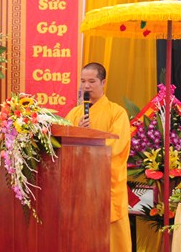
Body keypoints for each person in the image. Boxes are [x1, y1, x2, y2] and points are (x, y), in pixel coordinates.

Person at [65, 62, 131, 252]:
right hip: (80, 185)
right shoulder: (74, 113)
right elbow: (62, 143)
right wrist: (77, 131)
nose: (86, 86)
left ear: (103, 82)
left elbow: (117, 146)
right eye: (83, 81)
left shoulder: (117, 113)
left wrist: (89, 142)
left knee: (112, 235)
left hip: (105, 183)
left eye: (92, 81)